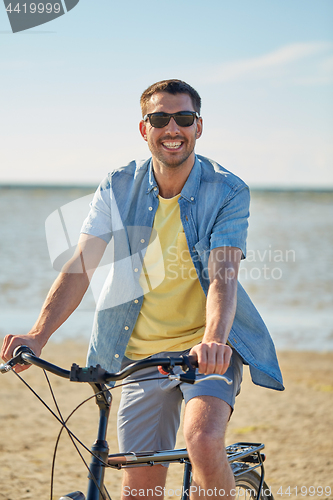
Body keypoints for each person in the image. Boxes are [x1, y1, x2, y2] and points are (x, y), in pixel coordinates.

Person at [1, 79, 283, 500]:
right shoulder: (118, 185)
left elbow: (223, 273)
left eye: (183, 118)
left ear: (198, 127)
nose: (173, 128)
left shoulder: (227, 189)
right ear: (144, 128)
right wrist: (38, 335)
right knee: (139, 490)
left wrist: (213, 342)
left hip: (206, 350)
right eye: (160, 118)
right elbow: (81, 266)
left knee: (204, 441)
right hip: (138, 355)